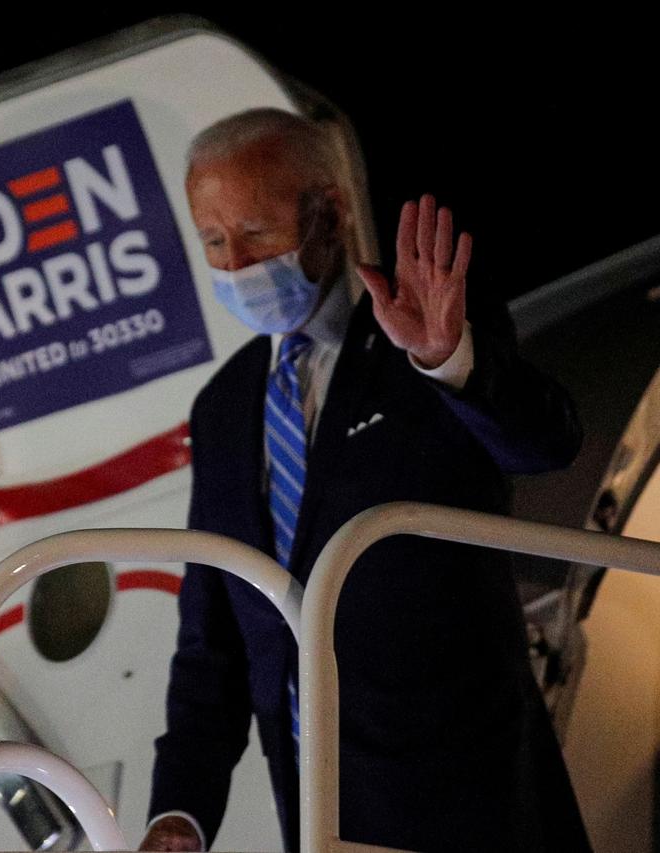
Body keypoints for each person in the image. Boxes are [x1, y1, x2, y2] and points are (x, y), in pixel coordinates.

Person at [140, 109, 589, 852]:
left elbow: (546, 443)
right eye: (214, 241)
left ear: (331, 210)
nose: (234, 265)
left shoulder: (426, 334)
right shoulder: (222, 407)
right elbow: (213, 640)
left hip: (473, 801)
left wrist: (449, 361)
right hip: (320, 816)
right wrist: (179, 811)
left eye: (255, 232)